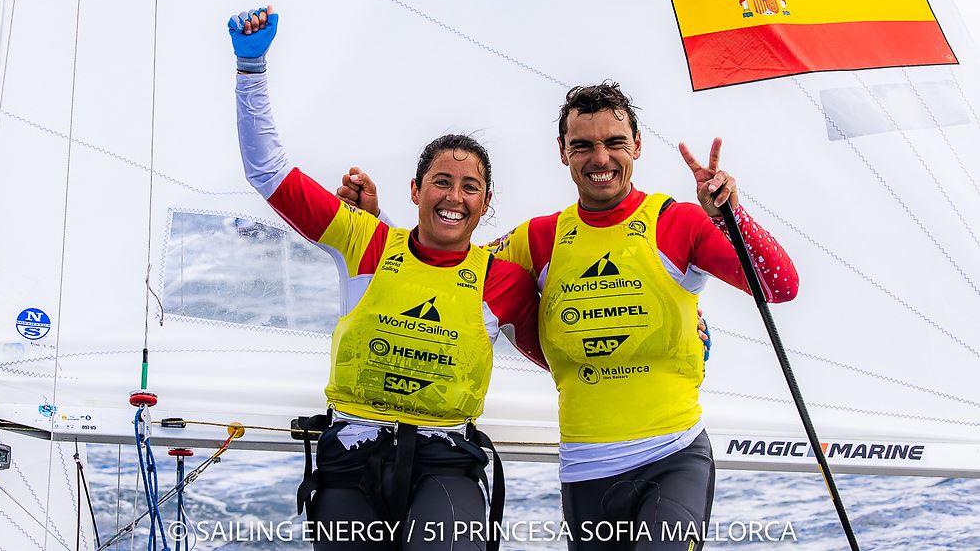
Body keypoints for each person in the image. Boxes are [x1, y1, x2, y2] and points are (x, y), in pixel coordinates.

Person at [338, 82, 799, 550]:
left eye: (614, 143)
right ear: (563, 152)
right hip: (586, 472)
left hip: (672, 455)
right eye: (583, 145)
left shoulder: (677, 223)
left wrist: (729, 217)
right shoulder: (538, 239)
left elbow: (779, 286)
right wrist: (378, 227)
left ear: (637, 146)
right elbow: (445, 268)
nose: (600, 158)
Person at [228, 4, 547, 551]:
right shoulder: (364, 242)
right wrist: (250, 69)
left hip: (446, 461)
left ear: (486, 203)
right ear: (416, 189)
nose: (454, 197)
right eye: (441, 182)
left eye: (470, 187)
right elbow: (269, 173)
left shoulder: (504, 281)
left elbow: (566, 352)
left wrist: (683, 335)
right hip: (351, 455)